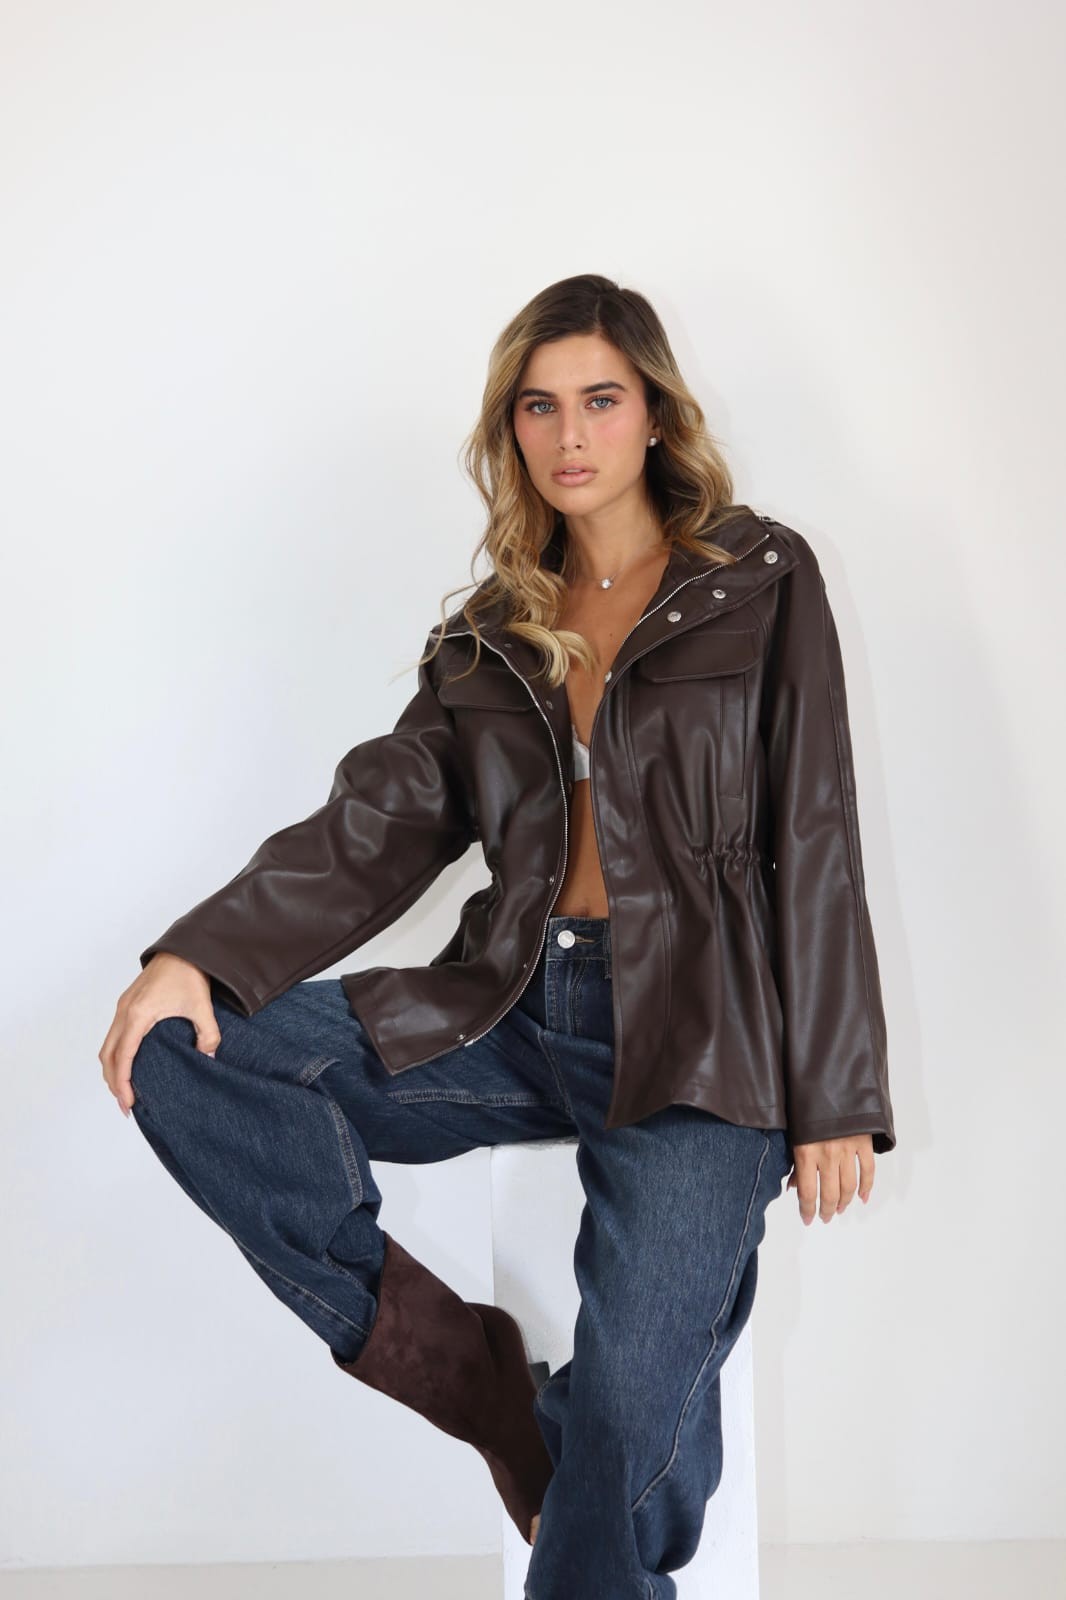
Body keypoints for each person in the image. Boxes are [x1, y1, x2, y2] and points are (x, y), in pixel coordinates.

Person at [99, 272, 896, 1599]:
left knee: (627, 1426)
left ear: (654, 414)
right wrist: (199, 955)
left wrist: (837, 1093)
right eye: (539, 406)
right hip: (515, 1011)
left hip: (703, 1042)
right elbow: (374, 825)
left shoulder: (757, 581)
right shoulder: (491, 635)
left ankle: (566, 1461)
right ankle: (466, 1371)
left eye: (601, 400)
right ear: (509, 428)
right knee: (183, 1053)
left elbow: (813, 831)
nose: (569, 434)